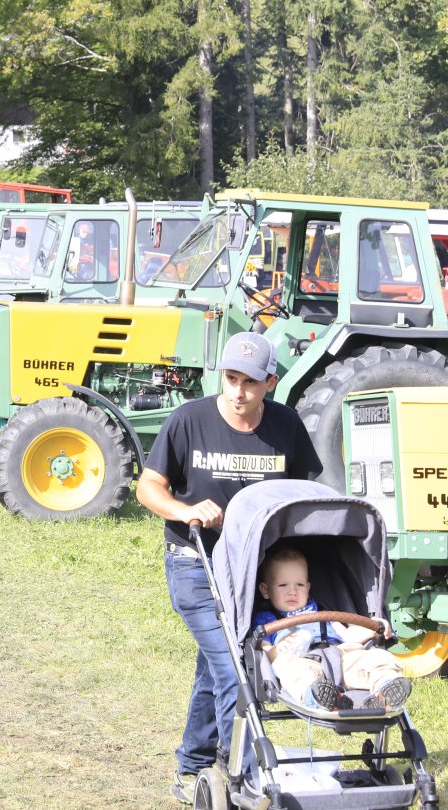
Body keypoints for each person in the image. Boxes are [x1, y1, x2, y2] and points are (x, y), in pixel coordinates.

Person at [134, 331, 322, 802]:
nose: (239, 391)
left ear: (270, 382)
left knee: (214, 667)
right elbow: (147, 487)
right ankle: (241, 774)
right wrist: (186, 511)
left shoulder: (286, 426)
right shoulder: (189, 420)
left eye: (250, 382)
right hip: (194, 563)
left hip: (251, 570)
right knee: (235, 669)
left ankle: (193, 766)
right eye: (231, 378)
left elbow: (308, 493)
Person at [252, 548, 412, 711]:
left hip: (341, 657)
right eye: (283, 585)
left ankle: (385, 690)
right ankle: (320, 697)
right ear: (265, 590)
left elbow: (347, 635)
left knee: (378, 657)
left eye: (299, 585)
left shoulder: (321, 611)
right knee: (293, 673)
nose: (292, 591)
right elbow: (264, 650)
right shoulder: (266, 619)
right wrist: (278, 650)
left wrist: (372, 627)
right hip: (304, 662)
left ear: (308, 588)